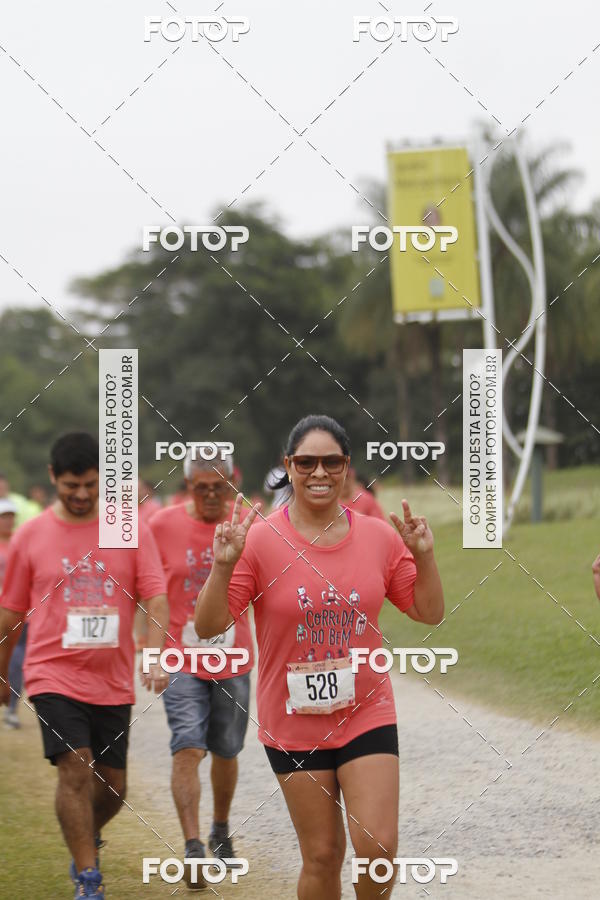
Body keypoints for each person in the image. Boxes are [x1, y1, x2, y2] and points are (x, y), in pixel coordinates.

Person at [195, 414, 444, 900]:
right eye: (306, 462)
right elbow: (209, 627)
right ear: (289, 466)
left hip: (365, 710)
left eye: (331, 461)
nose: (319, 472)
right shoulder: (261, 540)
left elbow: (428, 611)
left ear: (347, 466)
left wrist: (425, 555)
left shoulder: (378, 536)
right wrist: (222, 567)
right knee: (323, 856)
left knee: (378, 848)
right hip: (293, 720)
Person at [0, 432, 169, 899]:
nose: (80, 494)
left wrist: (155, 654)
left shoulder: (129, 528)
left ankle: (84, 840)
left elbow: (155, 595)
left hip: (111, 679)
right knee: (75, 769)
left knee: (113, 788)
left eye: (90, 485)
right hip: (51, 672)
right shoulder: (31, 536)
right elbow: (11, 612)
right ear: (52, 477)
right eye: (70, 485)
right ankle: (88, 878)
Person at [149, 448, 253, 890]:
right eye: (201, 488)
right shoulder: (162, 525)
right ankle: (193, 847)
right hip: (181, 656)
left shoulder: (250, 526)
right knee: (187, 746)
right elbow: (149, 590)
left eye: (220, 487)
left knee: (226, 750)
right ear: (187, 486)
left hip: (233, 656)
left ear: (233, 482)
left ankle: (220, 828)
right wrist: (150, 652)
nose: (212, 496)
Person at [0, 497, 25, 729]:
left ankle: (12, 709)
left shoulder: (20, 543)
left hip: (18, 612)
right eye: (3, 517)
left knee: (17, 660)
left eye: (10, 517)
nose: (8, 521)